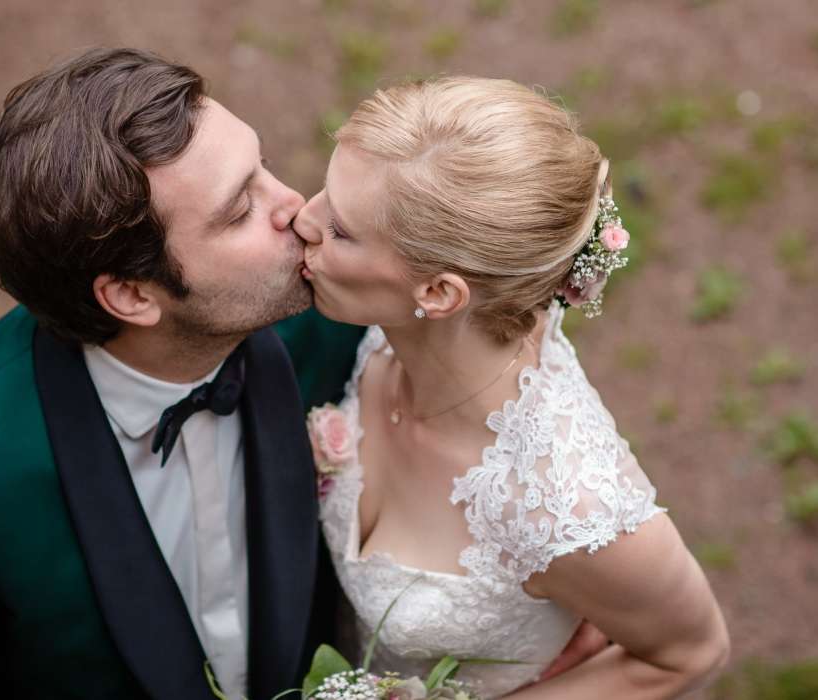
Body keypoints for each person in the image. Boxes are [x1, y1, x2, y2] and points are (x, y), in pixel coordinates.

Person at [0, 48, 605, 700]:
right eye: (240, 210)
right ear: (132, 295)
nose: (299, 210)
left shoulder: (342, 314)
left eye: (262, 167)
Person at [293, 76, 730, 698]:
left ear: (438, 293)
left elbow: (690, 655)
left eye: (339, 229)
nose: (301, 218)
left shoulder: (567, 506)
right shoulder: (381, 337)